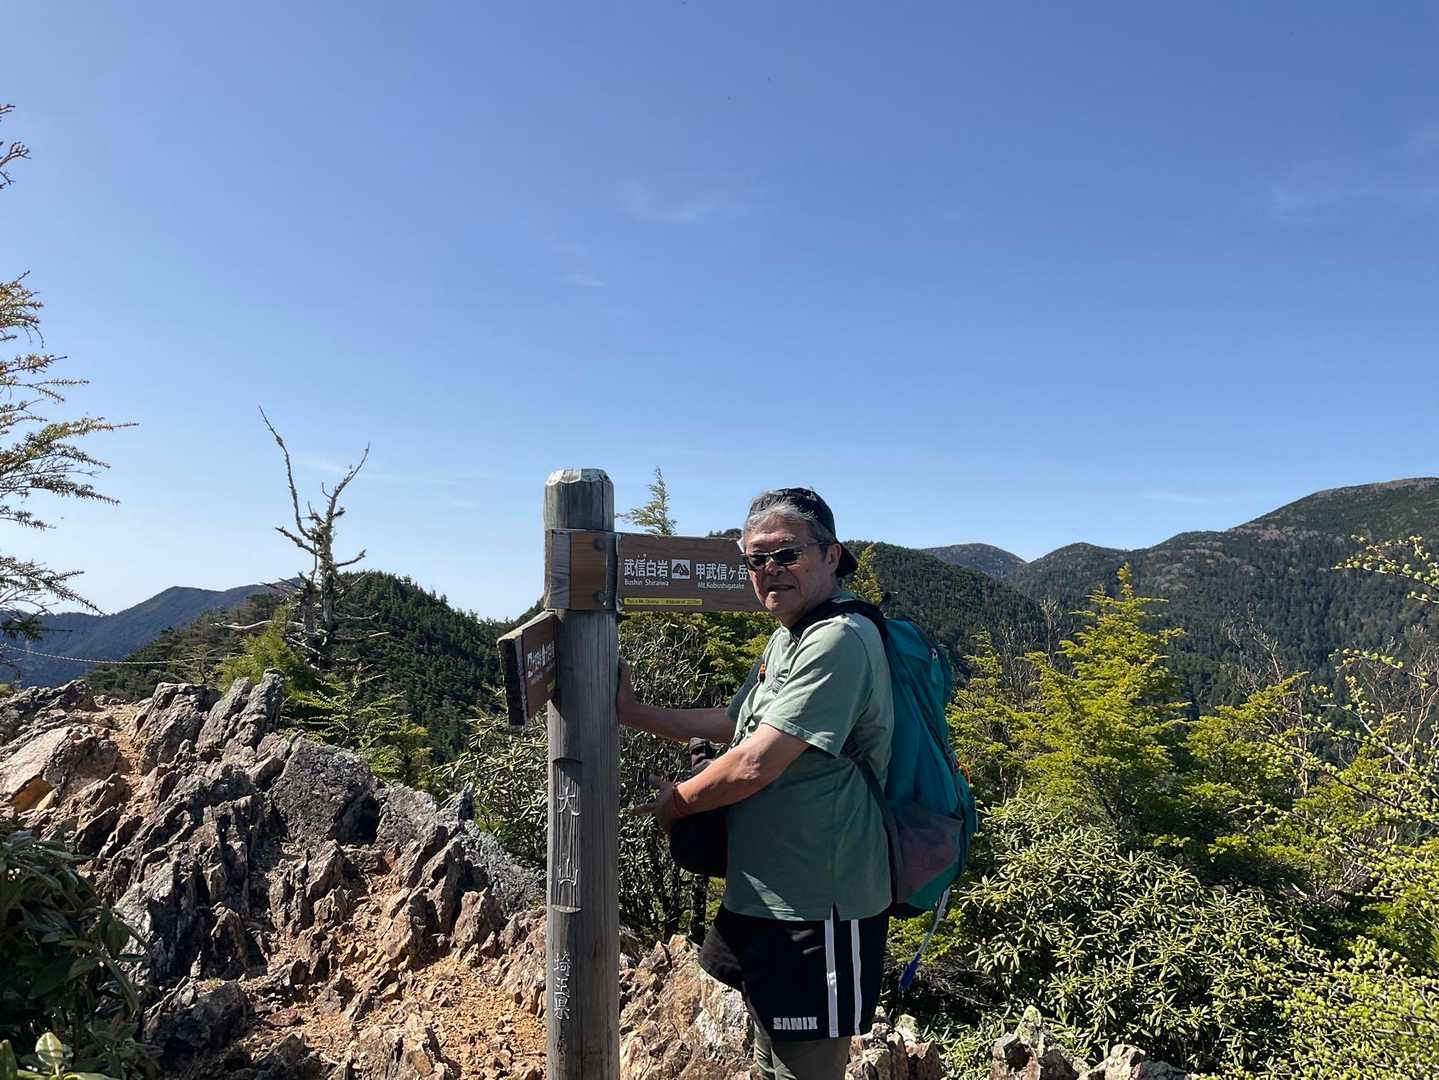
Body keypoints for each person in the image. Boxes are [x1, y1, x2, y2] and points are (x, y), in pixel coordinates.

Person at [619, 487, 894, 1080]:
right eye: (756, 559)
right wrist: (635, 713)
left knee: (805, 1070)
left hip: (819, 906)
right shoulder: (790, 635)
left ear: (831, 556)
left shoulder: (839, 638)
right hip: (765, 895)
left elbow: (754, 763)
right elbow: (735, 721)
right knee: (769, 1062)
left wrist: (677, 804)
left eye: (787, 554)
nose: (770, 569)